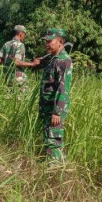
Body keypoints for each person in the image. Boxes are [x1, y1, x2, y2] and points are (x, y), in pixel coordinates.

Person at [39, 28, 73, 162]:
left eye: (50, 41)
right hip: (48, 108)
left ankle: (55, 169)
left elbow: (63, 87)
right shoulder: (54, 59)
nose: (47, 44)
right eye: (45, 41)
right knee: (50, 140)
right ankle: (57, 165)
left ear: (60, 42)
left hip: (55, 110)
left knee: (54, 140)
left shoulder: (64, 61)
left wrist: (57, 112)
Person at [0, 25, 40, 91]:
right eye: (24, 35)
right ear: (20, 34)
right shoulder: (20, 45)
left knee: (9, 96)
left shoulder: (7, 43)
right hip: (18, 76)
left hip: (8, 76)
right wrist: (32, 64)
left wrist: (7, 66)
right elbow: (16, 62)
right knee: (21, 98)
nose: (24, 37)